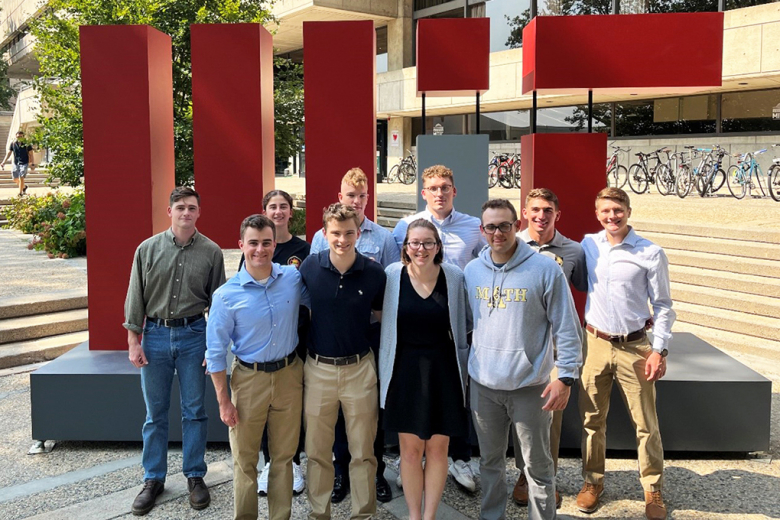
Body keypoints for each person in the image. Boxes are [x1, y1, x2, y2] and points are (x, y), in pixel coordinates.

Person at [464, 199, 582, 520]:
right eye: (491, 226)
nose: (498, 232)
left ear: (517, 226)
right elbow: (466, 325)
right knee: (490, 464)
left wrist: (566, 376)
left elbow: (567, 327)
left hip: (531, 387)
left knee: (538, 468)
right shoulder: (472, 271)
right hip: (484, 388)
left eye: (504, 225)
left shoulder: (545, 269)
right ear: (482, 230)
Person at [123, 186, 225, 516]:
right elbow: (135, 297)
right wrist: (133, 340)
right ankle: (153, 478)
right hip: (153, 335)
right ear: (169, 211)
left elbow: (219, 304)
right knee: (156, 414)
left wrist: (215, 347)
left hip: (194, 334)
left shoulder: (211, 252)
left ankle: (195, 475)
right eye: (180, 207)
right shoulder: (147, 249)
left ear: (198, 212)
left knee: (195, 409)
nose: (185, 212)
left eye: (191, 207)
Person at [577, 187, 675, 520]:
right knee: (592, 421)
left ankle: (652, 488)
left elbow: (662, 306)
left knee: (646, 423)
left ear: (628, 211)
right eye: (605, 211)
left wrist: (658, 350)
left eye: (617, 211)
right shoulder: (589, 244)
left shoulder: (651, 252)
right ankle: (593, 482)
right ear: (597, 214)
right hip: (595, 343)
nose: (612, 217)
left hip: (635, 346)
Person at [207, 214, 309, 520]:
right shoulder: (226, 296)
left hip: (290, 375)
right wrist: (224, 401)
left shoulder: (292, 279)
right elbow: (214, 354)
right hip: (248, 380)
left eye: (266, 243)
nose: (260, 250)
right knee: (245, 460)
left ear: (274, 244)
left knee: (284, 457)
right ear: (241, 245)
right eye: (253, 243)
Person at [392, 164, 486, 491]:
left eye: (445, 187)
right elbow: (396, 273)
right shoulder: (405, 227)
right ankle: (411, 463)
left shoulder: (474, 227)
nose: (440, 193)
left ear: (454, 191)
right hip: (416, 321)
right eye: (433, 188)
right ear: (423, 192)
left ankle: (459, 461)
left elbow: (486, 267)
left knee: (452, 401)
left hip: (455, 326)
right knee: (417, 404)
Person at [310, 167, 398, 503]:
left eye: (362, 197)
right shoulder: (321, 239)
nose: (358, 202)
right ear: (340, 197)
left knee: (368, 415)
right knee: (335, 419)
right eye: (351, 196)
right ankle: (340, 474)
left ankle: (374, 475)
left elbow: (388, 292)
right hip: (331, 340)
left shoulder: (385, 238)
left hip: (369, 341)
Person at [299, 203, 386, 520]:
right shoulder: (309, 267)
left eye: (349, 233)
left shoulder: (374, 273)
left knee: (363, 452)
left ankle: (363, 514)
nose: (342, 239)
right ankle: (319, 513)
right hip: (318, 368)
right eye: (335, 233)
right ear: (325, 233)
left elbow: (380, 318)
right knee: (318, 451)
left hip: (360, 369)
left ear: (358, 233)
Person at [378, 218, 470, 520]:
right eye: (414, 243)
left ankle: (429, 516)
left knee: (438, 449)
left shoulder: (454, 277)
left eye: (428, 242)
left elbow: (464, 322)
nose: (421, 249)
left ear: (438, 246)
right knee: (410, 451)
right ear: (405, 247)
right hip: (404, 371)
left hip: (444, 371)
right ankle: (414, 515)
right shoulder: (393, 275)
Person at [513, 188, 588, 508]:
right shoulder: (511, 244)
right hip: (521, 341)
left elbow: (585, 288)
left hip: (556, 344)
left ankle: (546, 476)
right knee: (520, 411)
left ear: (558, 215)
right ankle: (523, 473)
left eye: (548, 210)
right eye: (535, 210)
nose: (541, 216)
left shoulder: (573, 251)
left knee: (548, 414)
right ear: (525, 213)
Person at [237, 190, 310, 497]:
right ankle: (269, 464)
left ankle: (292, 461)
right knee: (265, 410)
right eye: (272, 207)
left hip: (295, 341)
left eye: (283, 207)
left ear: (291, 212)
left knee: (290, 408)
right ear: (265, 211)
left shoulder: (303, 249)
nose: (278, 211)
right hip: (261, 342)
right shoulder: (253, 249)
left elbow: (309, 293)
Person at [1, 131, 34, 196]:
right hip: (16, 163)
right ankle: (24, 187)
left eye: (21, 136)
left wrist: (32, 164)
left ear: (23, 137)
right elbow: (9, 153)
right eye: (18, 136)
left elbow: (31, 154)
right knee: (15, 179)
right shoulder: (13, 144)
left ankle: (20, 193)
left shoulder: (27, 144)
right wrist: (3, 162)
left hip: (24, 162)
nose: (19, 138)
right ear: (16, 136)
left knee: (21, 176)